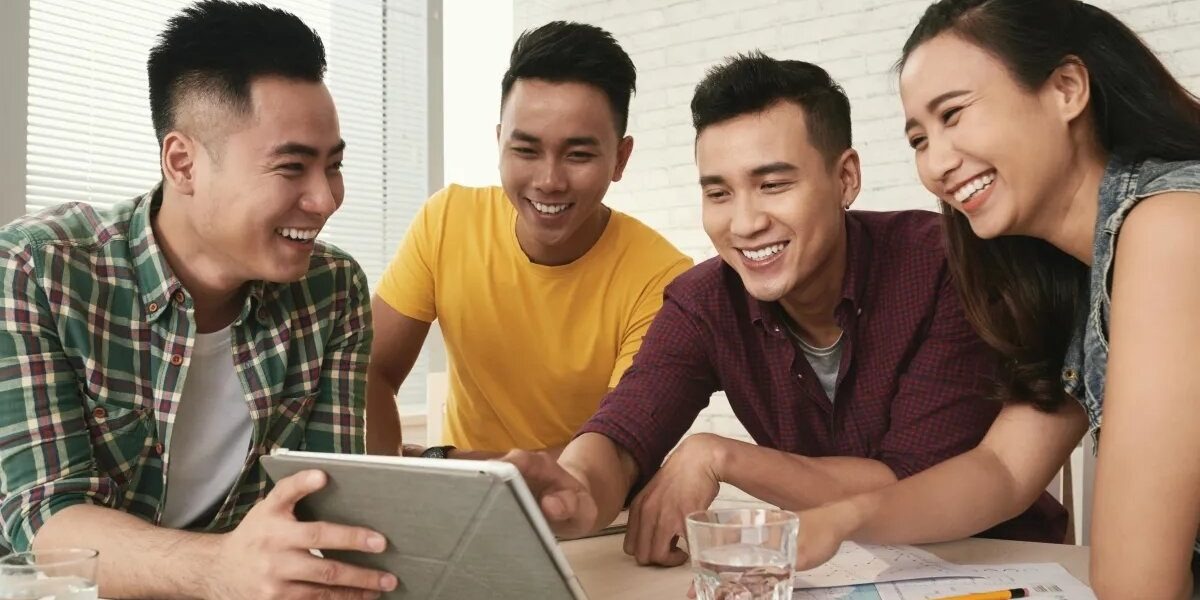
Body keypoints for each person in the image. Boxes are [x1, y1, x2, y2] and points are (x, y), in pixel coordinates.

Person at [507, 51, 1067, 569]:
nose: (745, 223)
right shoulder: (703, 302)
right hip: (827, 572)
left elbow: (912, 481)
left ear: (845, 178)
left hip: (996, 563)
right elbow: (626, 429)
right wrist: (577, 490)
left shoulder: (946, 266)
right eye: (718, 193)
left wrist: (719, 456)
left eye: (772, 184)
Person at [784, 1, 1200, 598]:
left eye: (954, 114)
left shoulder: (1171, 228)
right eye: (919, 139)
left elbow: (1138, 587)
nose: (937, 164)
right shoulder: (1081, 275)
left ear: (1066, 88)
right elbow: (1003, 470)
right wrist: (843, 519)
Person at [0, 2, 397, 597]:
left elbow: (324, 507)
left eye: (333, 165)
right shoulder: (37, 270)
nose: (325, 199)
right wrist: (219, 569)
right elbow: (46, 522)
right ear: (182, 163)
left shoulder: (333, 289)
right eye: (292, 167)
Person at [366, 21, 692, 459]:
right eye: (526, 150)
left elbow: (615, 451)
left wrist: (441, 461)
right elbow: (368, 372)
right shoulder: (446, 221)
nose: (549, 181)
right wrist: (387, 474)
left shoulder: (663, 278)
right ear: (499, 142)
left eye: (578, 154)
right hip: (460, 494)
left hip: (591, 502)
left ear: (620, 158)